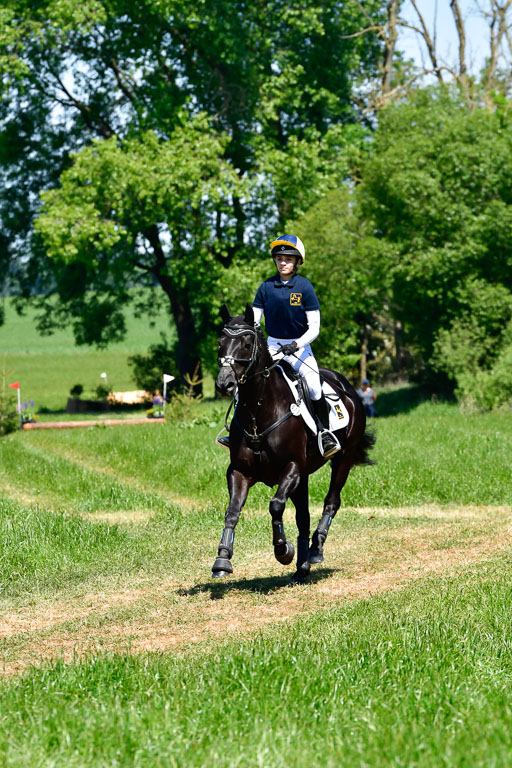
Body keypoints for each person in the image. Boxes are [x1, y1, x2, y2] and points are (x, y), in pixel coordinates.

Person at [217, 234, 341, 458]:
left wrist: (296, 344)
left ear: (298, 262)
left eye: (288, 259)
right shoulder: (266, 287)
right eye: (279, 259)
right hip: (272, 346)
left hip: (300, 347)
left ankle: (324, 433)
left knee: (314, 386)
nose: (283, 262)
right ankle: (236, 431)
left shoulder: (305, 287)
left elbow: (314, 328)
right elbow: (254, 322)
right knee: (244, 382)